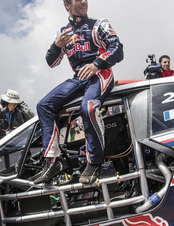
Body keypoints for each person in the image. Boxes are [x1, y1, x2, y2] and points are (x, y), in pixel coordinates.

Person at [35, 0, 124, 184]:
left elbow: (117, 49)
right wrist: (56, 46)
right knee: (44, 105)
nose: (84, 2)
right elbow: (52, 62)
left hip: (101, 73)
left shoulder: (99, 24)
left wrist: (97, 64)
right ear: (67, 5)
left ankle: (94, 163)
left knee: (89, 107)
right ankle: (53, 162)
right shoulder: (62, 33)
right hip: (79, 77)